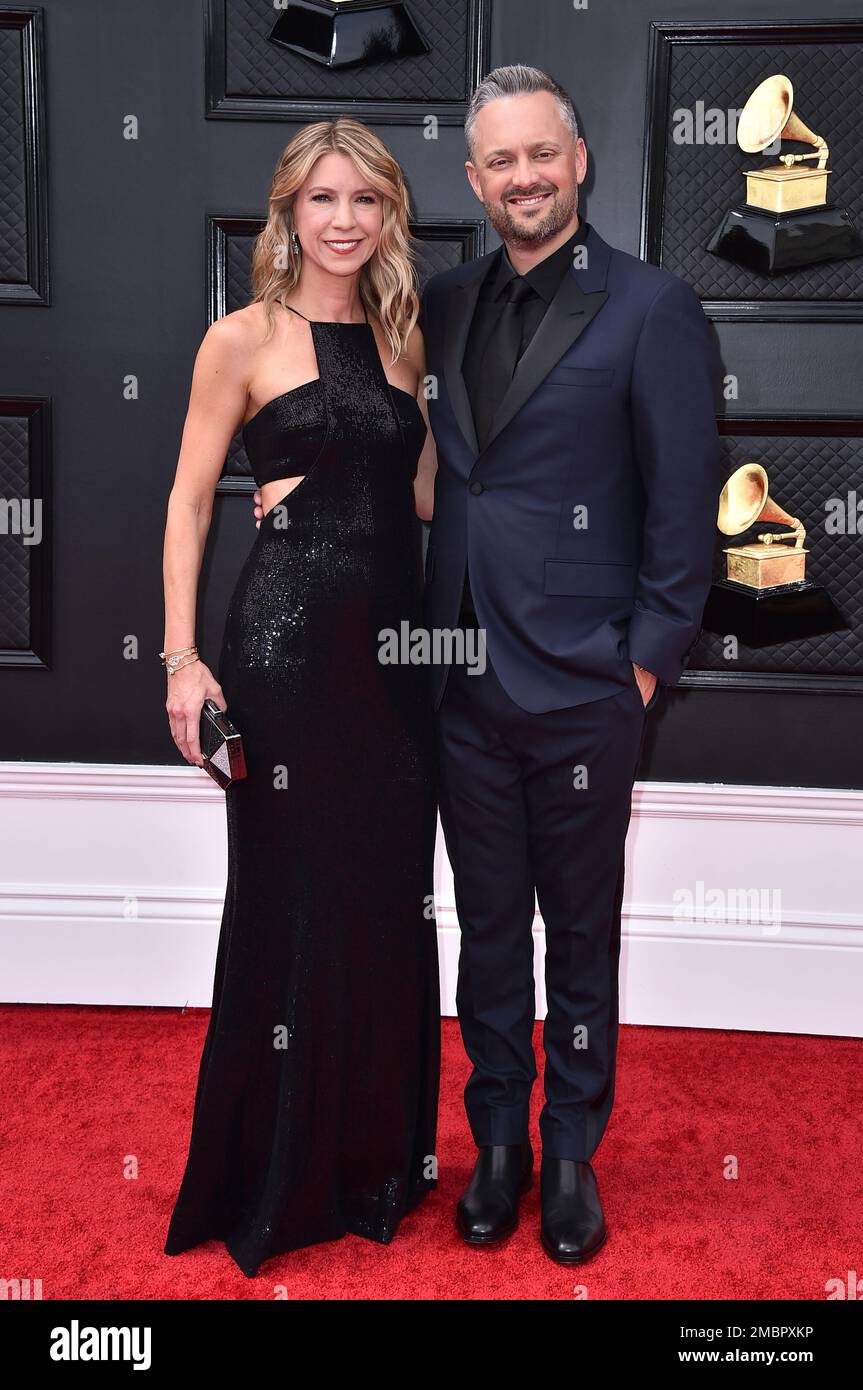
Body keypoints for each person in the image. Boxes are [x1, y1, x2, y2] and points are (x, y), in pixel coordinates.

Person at [419, 65, 722, 1263]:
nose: (523, 178)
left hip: (588, 687)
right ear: (474, 180)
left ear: (578, 159)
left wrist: (639, 668)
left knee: (578, 931)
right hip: (459, 680)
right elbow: (430, 462)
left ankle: (571, 1153)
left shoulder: (652, 307)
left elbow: (683, 512)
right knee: (485, 929)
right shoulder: (441, 302)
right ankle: (494, 1142)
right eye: (499, 162)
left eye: (541, 154)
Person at [161, 118, 441, 1278]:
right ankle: (270, 1173)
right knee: (285, 895)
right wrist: (180, 659)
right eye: (323, 199)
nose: (343, 221)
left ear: (387, 217)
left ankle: (373, 1161)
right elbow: (187, 502)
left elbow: (422, 499)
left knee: (384, 898)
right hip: (279, 651)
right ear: (288, 212)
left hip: (395, 662)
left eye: (365, 201)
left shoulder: (403, 339)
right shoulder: (240, 337)